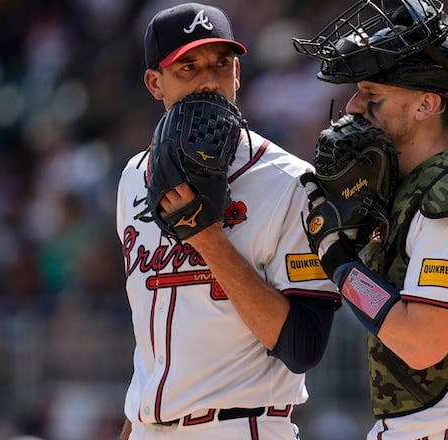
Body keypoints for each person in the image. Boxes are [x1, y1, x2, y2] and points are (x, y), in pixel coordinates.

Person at [293, 0, 448, 439]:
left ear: (426, 104)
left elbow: (421, 342)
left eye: (372, 95)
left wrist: (338, 261)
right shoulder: (399, 194)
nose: (353, 107)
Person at [115, 3, 340, 440]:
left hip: (240, 425)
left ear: (238, 74)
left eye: (221, 64)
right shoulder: (132, 178)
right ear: (154, 83)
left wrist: (208, 240)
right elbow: (155, 342)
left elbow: (304, 347)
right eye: (188, 67)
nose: (209, 81)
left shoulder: (290, 182)